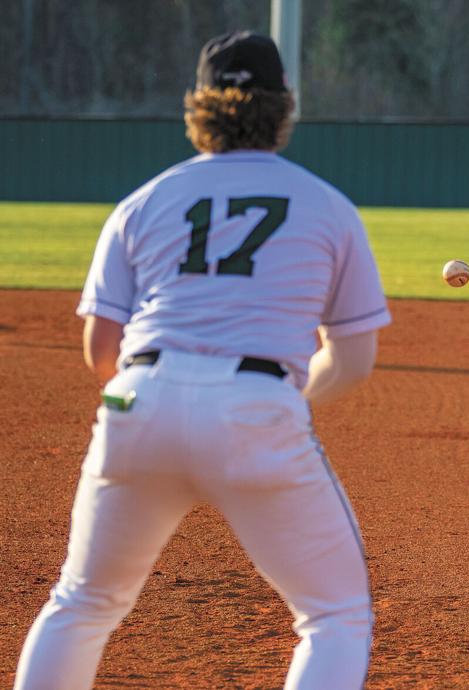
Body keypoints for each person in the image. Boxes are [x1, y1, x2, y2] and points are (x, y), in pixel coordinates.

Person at [14, 31, 390, 689]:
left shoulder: (144, 201)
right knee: (334, 615)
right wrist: (265, 408)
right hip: (255, 403)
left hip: (139, 399)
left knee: (83, 603)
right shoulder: (328, 207)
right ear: (282, 108)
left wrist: (165, 399)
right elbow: (352, 361)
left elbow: (100, 351)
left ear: (199, 107)